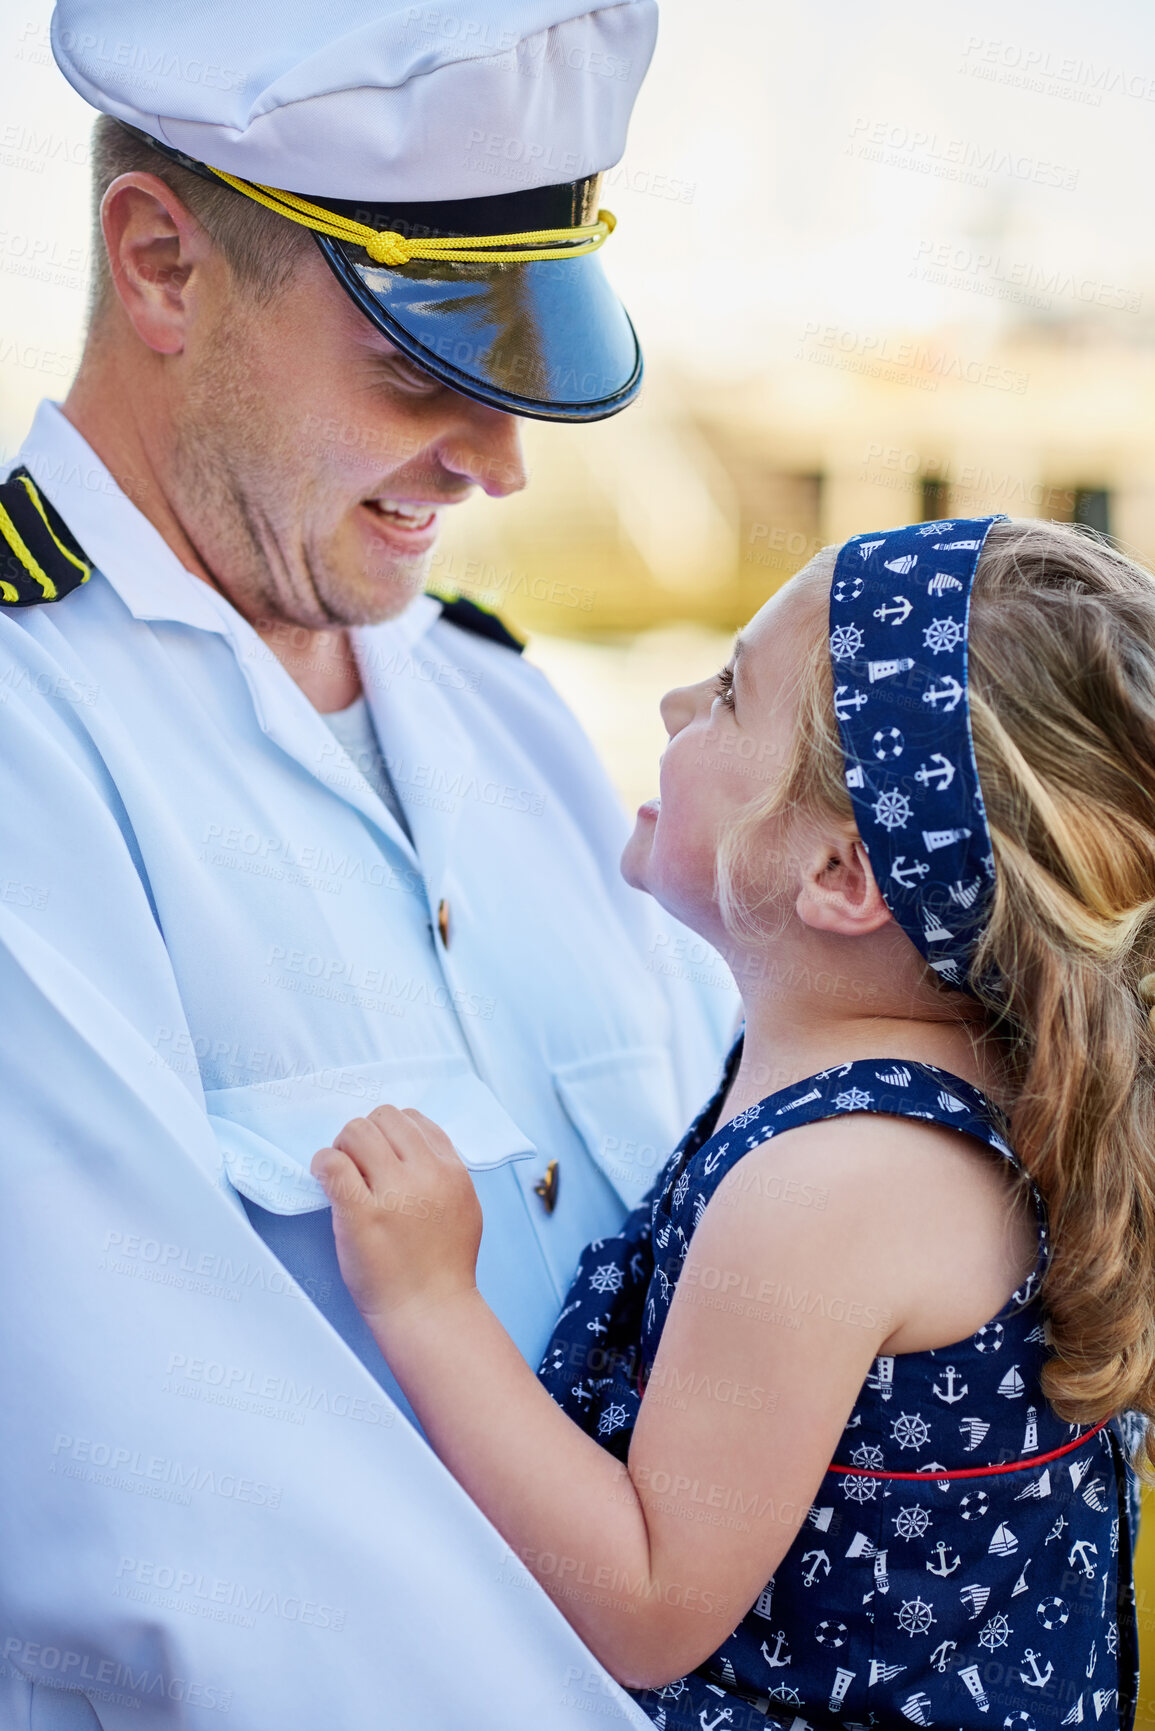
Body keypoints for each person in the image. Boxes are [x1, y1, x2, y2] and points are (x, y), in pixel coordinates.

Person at [0, 2, 734, 1726]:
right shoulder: (27, 746)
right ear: (164, 263)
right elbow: (196, 1538)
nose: (498, 461)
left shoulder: (510, 716)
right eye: (421, 369)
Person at [313, 514, 1150, 1731]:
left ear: (840, 877)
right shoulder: (937, 1093)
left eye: (727, 695)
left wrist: (430, 1305)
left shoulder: (835, 1190)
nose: (668, 705)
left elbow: (649, 1601)